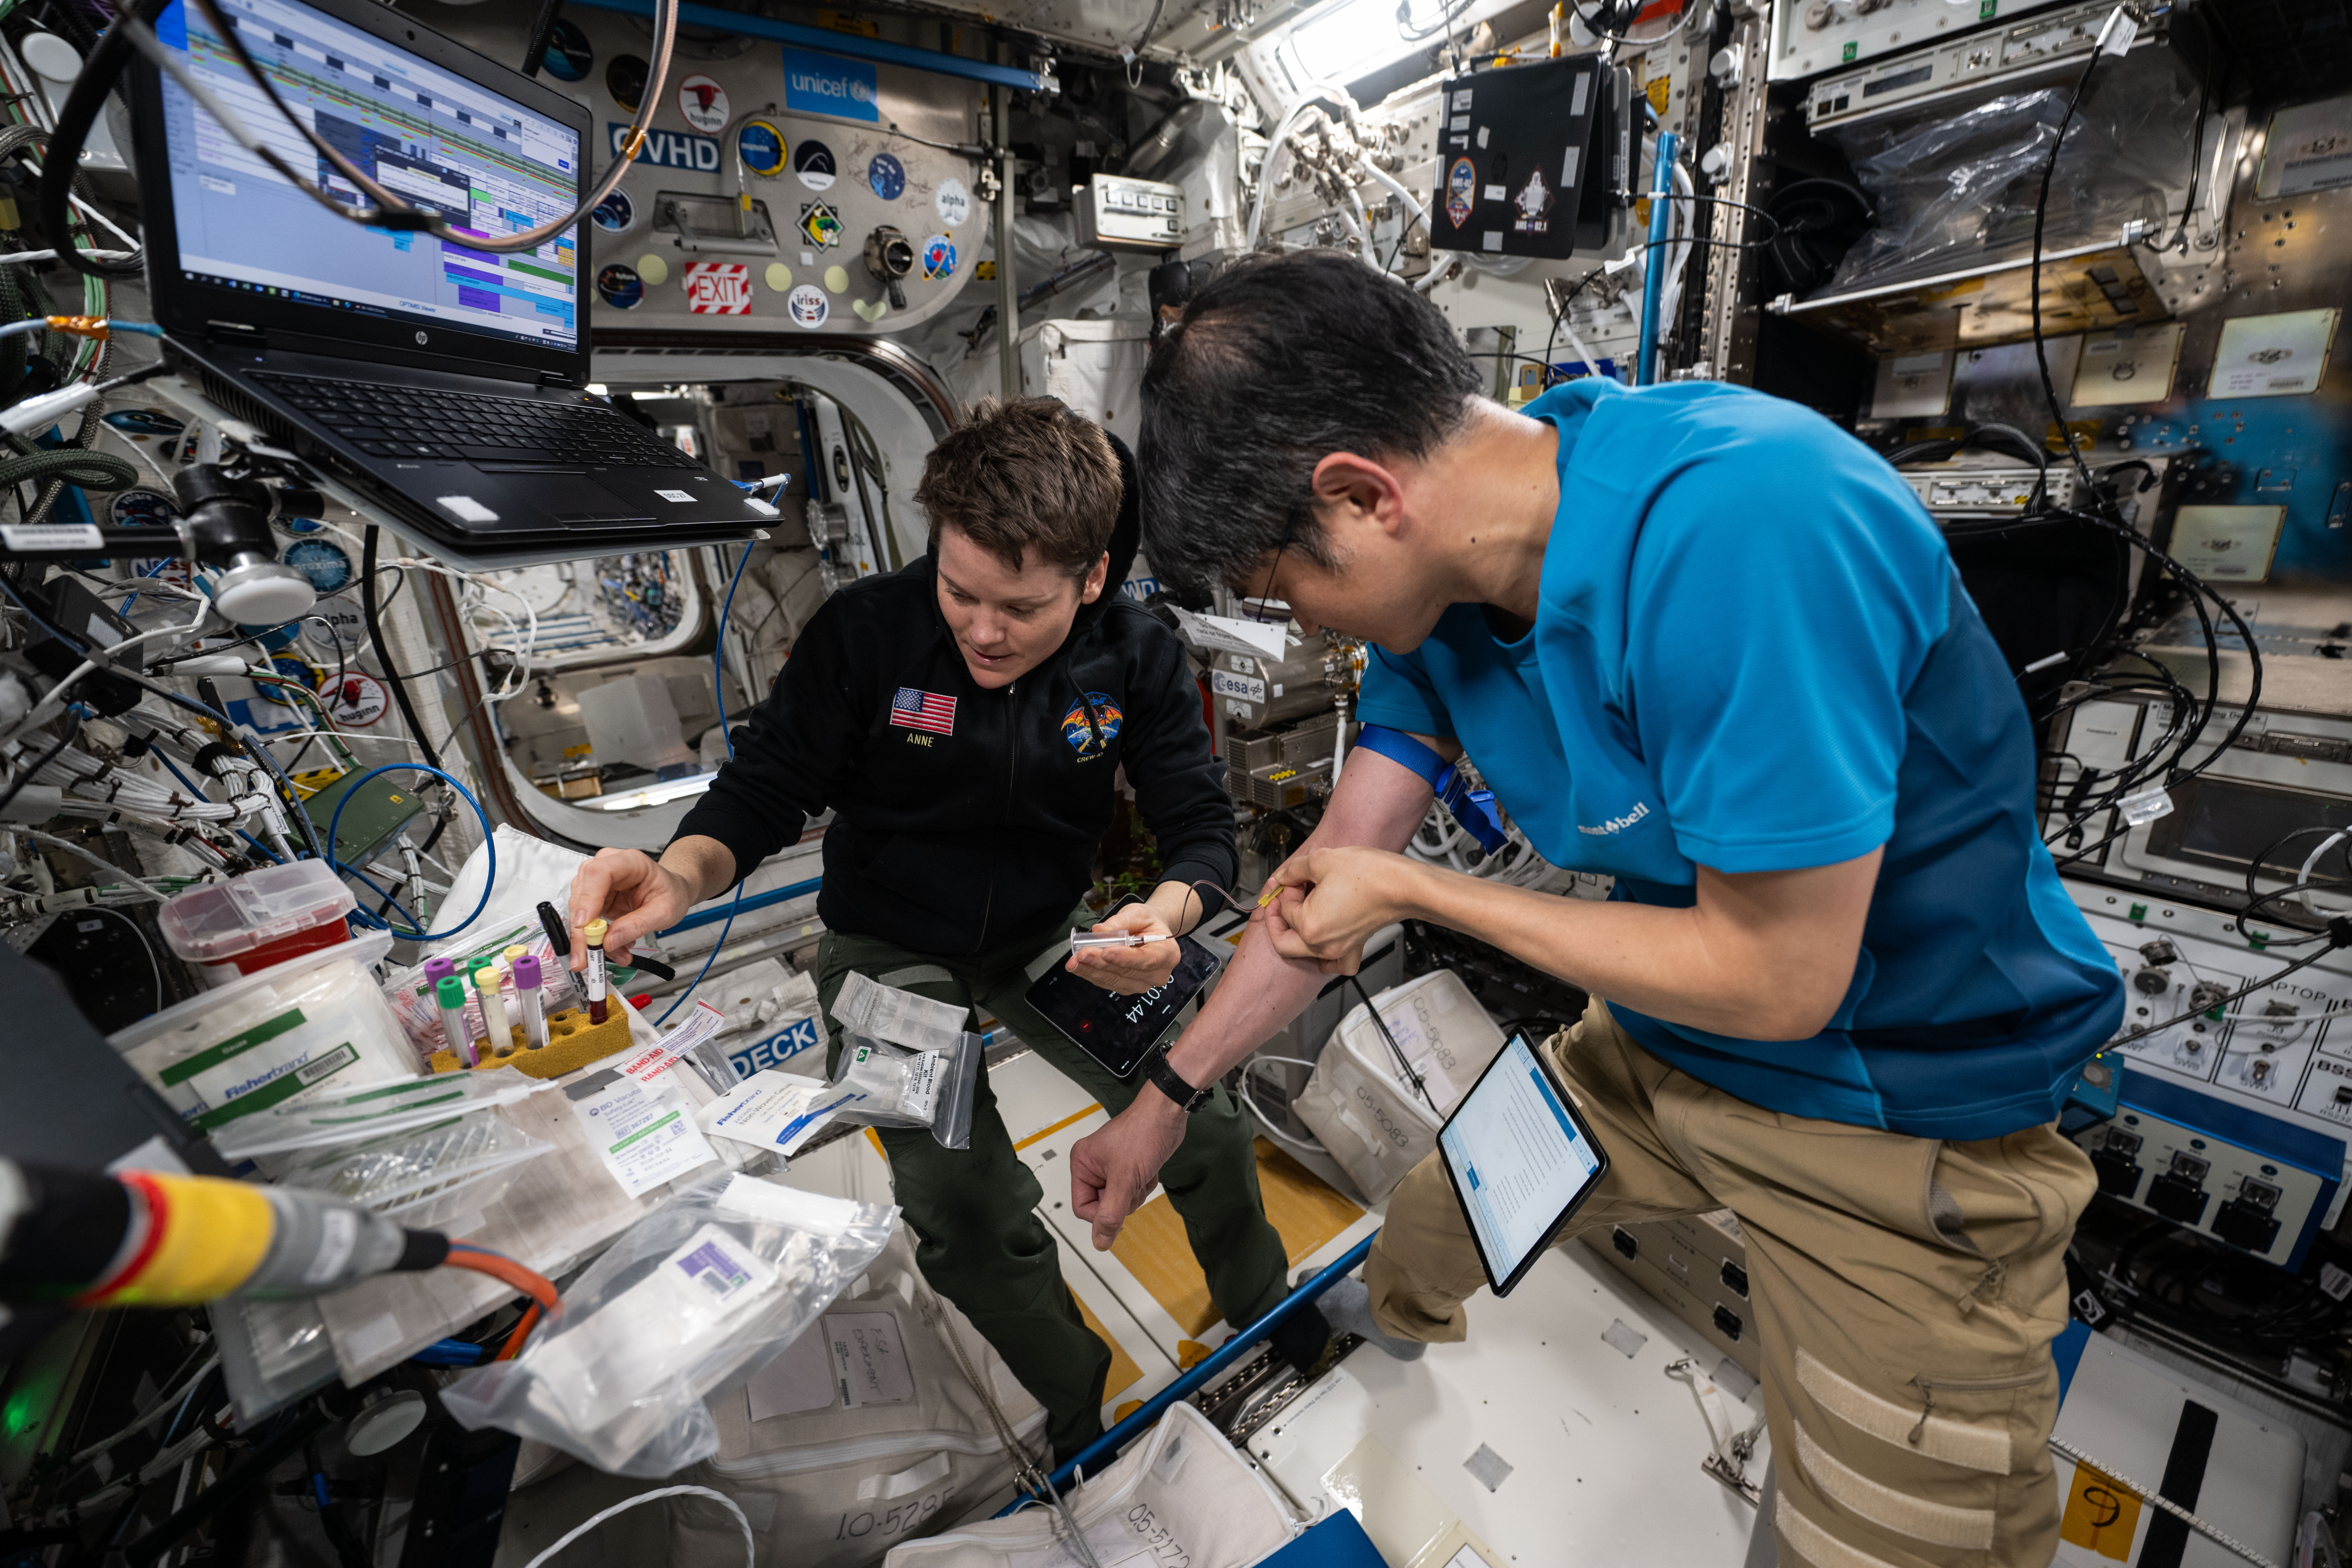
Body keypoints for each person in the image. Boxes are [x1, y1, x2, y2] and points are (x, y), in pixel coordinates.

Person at [1069, 252, 2125, 1567]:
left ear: (1359, 495)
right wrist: (1166, 1096)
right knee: (1433, 1220)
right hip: (1661, 1046)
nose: (1310, 624)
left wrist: (1420, 890)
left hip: (1892, 1112)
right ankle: (1361, 1366)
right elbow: (1335, 873)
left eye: (1290, 588)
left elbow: (1781, 975)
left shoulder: (1744, 524)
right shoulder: (1437, 599)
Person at [567, 397, 1323, 1461]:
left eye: (1018, 607)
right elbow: (764, 789)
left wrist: (1170, 910)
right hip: (890, 948)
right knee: (963, 1204)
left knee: (1202, 1117)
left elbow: (1202, 828)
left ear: (1093, 577)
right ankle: (1077, 1406)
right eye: (959, 591)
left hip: (1055, 934)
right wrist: (679, 875)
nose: (981, 629)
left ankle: (1270, 1310)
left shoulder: (1137, 657)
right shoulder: (867, 636)